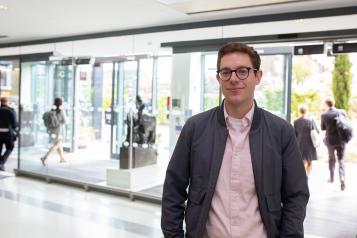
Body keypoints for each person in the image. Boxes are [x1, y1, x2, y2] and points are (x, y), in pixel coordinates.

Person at [161, 42, 309, 238]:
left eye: (242, 71)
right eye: (226, 72)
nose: (233, 79)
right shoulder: (195, 128)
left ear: (257, 76)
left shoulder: (281, 132)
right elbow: (174, 188)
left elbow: (296, 195)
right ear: (218, 78)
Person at [321, 97, 347, 191]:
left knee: (331, 158)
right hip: (341, 140)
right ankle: (342, 178)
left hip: (330, 141)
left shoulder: (324, 115)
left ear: (327, 104)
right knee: (341, 160)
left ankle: (331, 177)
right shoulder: (342, 112)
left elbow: (323, 128)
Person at [294, 104, 319, 178]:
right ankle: (307, 175)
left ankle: (304, 176)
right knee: (309, 160)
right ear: (306, 111)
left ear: (299, 111)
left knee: (302, 160)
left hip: (300, 143)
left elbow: (294, 134)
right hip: (310, 143)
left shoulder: (296, 121)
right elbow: (317, 131)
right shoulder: (311, 121)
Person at [41, 97, 66, 165]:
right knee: (57, 145)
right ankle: (45, 157)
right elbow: (64, 121)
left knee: (59, 144)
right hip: (58, 131)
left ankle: (62, 158)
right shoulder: (61, 111)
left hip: (52, 130)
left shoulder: (51, 111)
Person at [0, 97, 18, 171]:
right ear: (7, 102)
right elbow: (14, 124)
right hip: (8, 134)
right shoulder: (11, 111)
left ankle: (1, 162)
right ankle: (2, 162)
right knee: (10, 147)